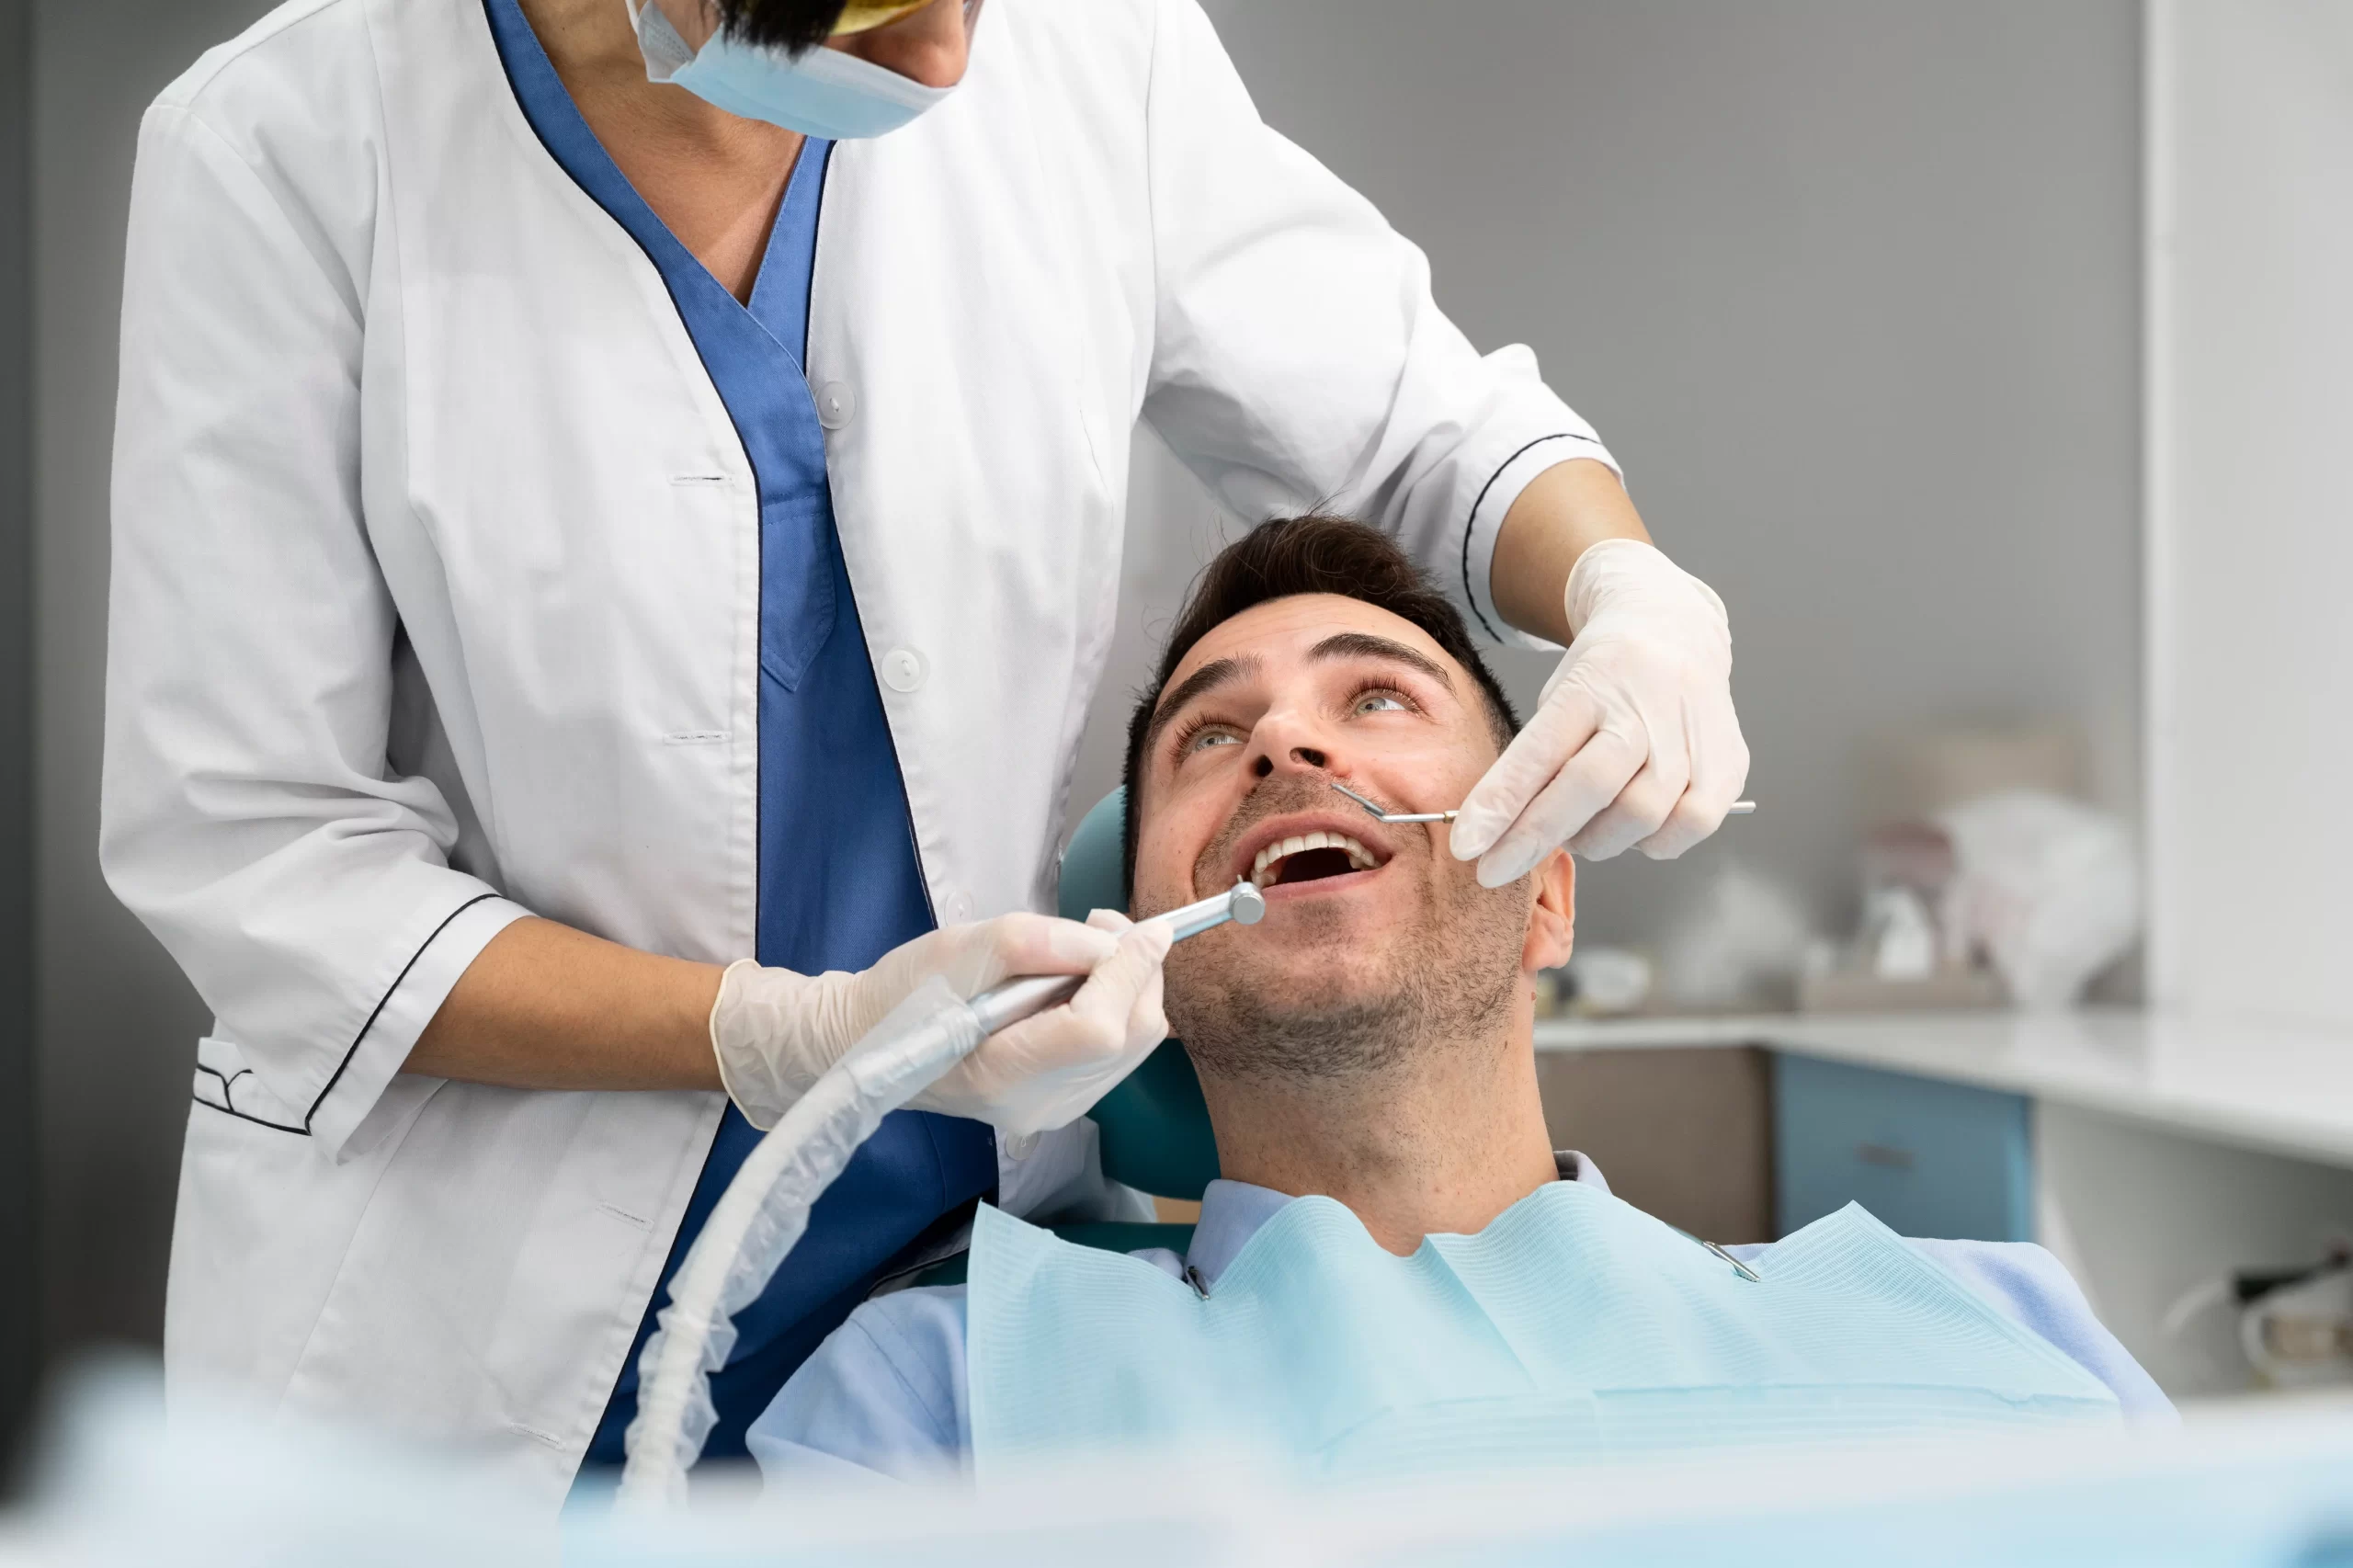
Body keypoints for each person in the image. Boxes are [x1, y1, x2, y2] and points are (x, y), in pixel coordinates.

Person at [101, 0, 1748, 1501]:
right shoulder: (286, 149)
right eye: (879, 6)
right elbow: (263, 855)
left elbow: (1418, 429)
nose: (958, 59)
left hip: (961, 1301)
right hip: (461, 1343)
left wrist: (1627, 587)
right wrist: (793, 1034)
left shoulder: (1092, 55)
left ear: (1551, 908)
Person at [748, 517, 2165, 1483]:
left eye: (1376, 700)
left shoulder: (1997, 1314)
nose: (1287, 739)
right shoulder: (937, 1397)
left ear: (1547, 891)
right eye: (1211, 733)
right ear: (1154, 945)